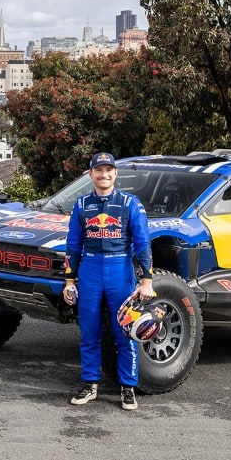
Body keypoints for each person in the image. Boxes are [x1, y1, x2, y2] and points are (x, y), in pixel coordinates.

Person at [63, 153, 154, 411]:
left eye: (108, 170)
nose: (104, 174)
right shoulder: (81, 204)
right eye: (99, 170)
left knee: (125, 331)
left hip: (120, 269)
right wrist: (69, 281)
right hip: (90, 270)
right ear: (90, 174)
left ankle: (128, 387)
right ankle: (90, 383)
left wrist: (147, 280)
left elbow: (142, 243)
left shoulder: (130, 203)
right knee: (89, 332)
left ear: (115, 173)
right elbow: (73, 245)